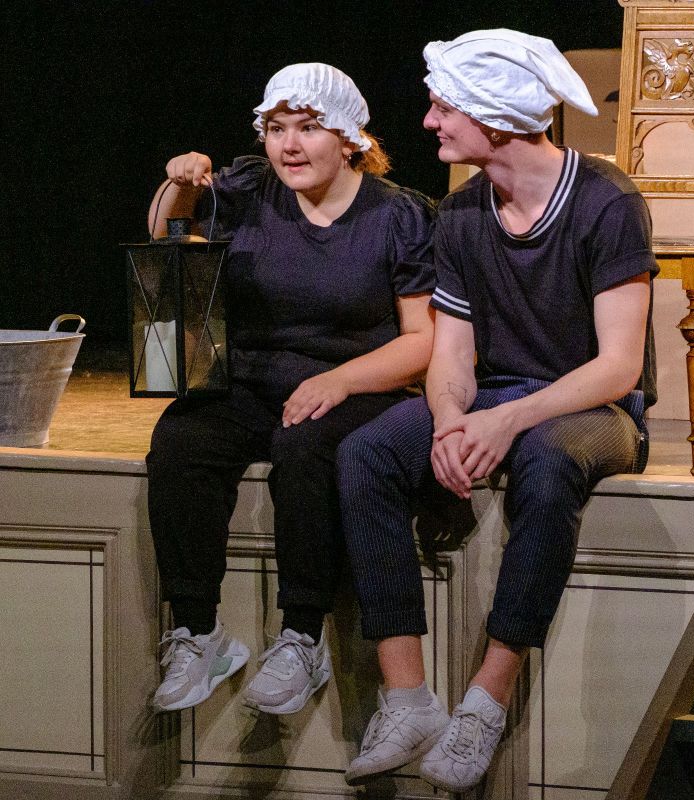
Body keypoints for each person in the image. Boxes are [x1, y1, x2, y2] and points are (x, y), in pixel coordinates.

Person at [337, 29, 658, 792]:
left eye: (445, 105)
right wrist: (450, 421)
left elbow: (616, 367)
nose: (429, 121)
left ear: (497, 115)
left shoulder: (607, 202)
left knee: (550, 460)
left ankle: (487, 697)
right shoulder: (463, 213)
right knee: (366, 452)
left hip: (595, 408)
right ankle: (408, 696)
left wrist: (503, 421)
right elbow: (451, 352)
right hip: (497, 399)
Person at [145, 62, 436, 715]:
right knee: (182, 438)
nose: (290, 144)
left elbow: (422, 340)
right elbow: (169, 236)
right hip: (252, 375)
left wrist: (338, 380)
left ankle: (302, 637)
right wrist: (177, 181)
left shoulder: (398, 216)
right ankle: (198, 632)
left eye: (309, 128)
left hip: (357, 383)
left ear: (350, 138)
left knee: (305, 446)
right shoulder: (250, 189)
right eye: (277, 129)